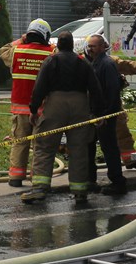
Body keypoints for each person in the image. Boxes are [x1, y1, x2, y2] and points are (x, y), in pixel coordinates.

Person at [21, 31, 101, 207]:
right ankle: (80, 192)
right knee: (79, 149)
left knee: (45, 146)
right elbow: (95, 89)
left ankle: (40, 188)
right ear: (72, 45)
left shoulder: (51, 61)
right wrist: (96, 112)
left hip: (55, 105)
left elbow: (40, 87)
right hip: (80, 105)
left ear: (58, 45)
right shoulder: (83, 62)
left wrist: (34, 110)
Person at [2, 19, 55, 187]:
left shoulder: (16, 51)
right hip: (43, 109)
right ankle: (37, 179)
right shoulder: (51, 52)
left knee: (20, 142)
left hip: (20, 109)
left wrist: (21, 39)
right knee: (40, 145)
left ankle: (15, 178)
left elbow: (2, 50)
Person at [85, 34, 127, 195]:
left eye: (93, 46)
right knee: (89, 146)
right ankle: (90, 180)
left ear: (103, 47)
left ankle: (118, 182)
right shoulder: (95, 63)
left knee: (109, 148)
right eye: (89, 46)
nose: (90, 49)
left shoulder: (107, 64)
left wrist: (106, 115)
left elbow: (112, 91)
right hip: (95, 114)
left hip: (105, 116)